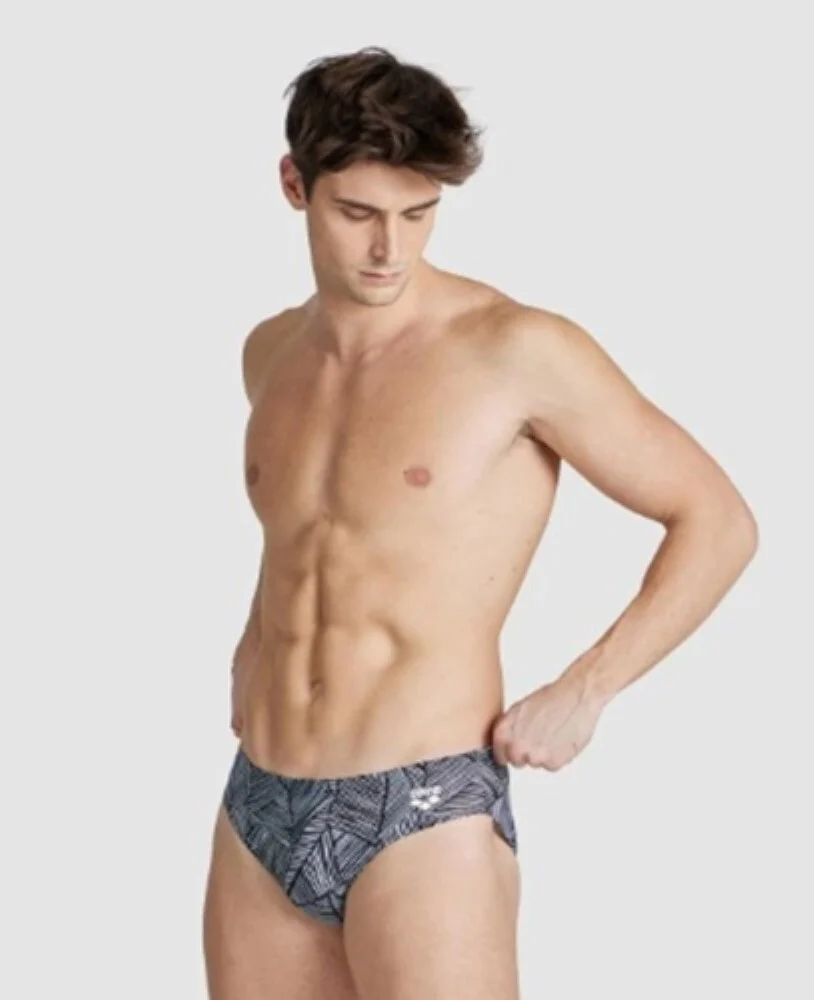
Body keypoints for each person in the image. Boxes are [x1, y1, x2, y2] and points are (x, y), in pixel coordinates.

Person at [202, 46, 758, 1000]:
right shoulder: (271, 354)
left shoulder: (516, 351)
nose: (391, 249)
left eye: (418, 214)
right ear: (295, 185)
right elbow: (312, 534)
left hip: (421, 809)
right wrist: (253, 643)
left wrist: (586, 688)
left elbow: (717, 519)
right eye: (358, 214)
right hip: (259, 801)